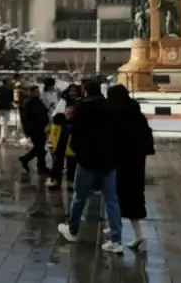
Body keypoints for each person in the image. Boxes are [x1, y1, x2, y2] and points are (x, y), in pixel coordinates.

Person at [58, 80, 123, 254]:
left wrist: (79, 152)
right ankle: (116, 239)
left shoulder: (83, 108)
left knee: (80, 196)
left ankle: (73, 230)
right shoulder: (111, 107)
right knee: (111, 200)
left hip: (87, 160)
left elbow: (77, 133)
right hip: (108, 161)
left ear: (86, 92)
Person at [108, 84, 154, 251]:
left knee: (118, 196)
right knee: (132, 196)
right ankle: (129, 231)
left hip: (122, 161)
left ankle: (135, 236)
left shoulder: (117, 113)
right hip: (137, 161)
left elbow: (114, 137)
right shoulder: (136, 112)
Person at [18, 85, 50, 173]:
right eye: (35, 91)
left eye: (38, 91)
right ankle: (28, 160)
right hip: (34, 129)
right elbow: (25, 118)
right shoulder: (28, 103)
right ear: (31, 92)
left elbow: (43, 112)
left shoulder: (38, 102)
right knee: (39, 147)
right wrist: (27, 130)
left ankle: (38, 164)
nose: (37, 93)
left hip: (41, 128)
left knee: (40, 147)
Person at [45, 108, 76, 191]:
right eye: (68, 109)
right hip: (60, 146)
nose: (69, 111)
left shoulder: (76, 122)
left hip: (71, 147)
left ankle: (70, 182)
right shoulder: (58, 120)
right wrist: (51, 145)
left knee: (71, 165)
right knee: (57, 165)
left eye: (71, 109)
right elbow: (53, 134)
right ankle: (56, 181)